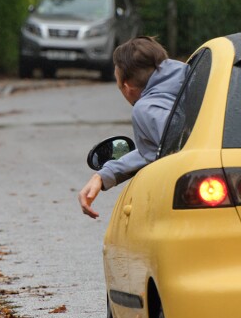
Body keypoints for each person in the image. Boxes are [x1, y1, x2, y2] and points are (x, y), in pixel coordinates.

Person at [78, 36, 186, 218]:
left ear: (128, 88)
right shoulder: (194, 73)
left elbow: (172, 149)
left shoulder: (145, 108)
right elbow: (157, 149)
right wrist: (103, 175)